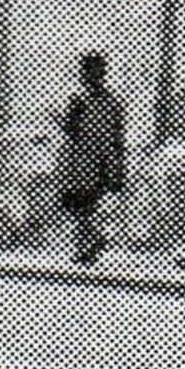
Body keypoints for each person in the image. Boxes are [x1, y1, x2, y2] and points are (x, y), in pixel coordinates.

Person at [56, 52, 126, 265]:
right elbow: (117, 137)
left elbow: (73, 129)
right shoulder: (111, 102)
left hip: (85, 161)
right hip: (96, 160)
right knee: (84, 206)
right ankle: (87, 246)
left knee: (81, 205)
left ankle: (90, 242)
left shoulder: (82, 100)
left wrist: (63, 122)